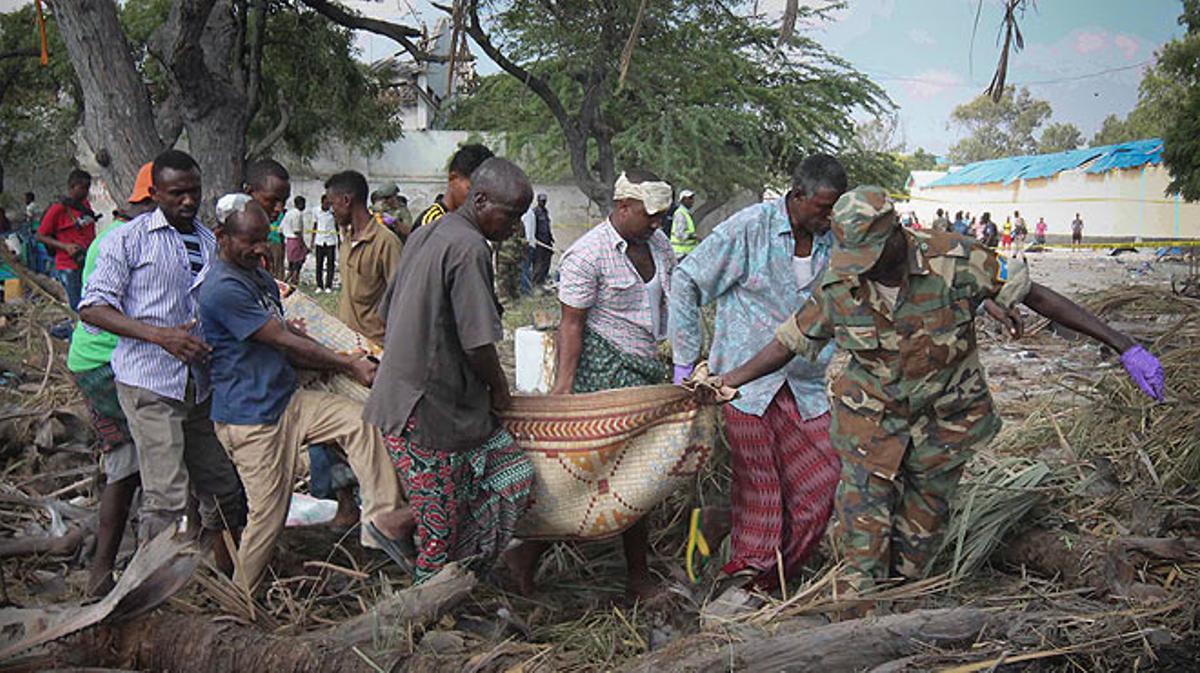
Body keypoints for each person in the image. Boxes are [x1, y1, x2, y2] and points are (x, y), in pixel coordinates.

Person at [713, 185, 1165, 597]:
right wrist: (729, 380)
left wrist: (1124, 346)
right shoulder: (841, 282)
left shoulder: (957, 259)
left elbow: (1037, 296)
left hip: (944, 425)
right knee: (862, 547)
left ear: (895, 233)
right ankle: (855, 620)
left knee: (917, 548)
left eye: (870, 253)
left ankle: (903, 611)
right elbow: (789, 342)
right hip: (870, 425)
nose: (862, 268)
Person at [198, 193, 412, 593]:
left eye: (265, 237)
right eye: (251, 240)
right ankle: (239, 598)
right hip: (252, 421)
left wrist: (341, 353)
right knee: (267, 518)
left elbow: (289, 329)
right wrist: (348, 364)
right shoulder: (221, 289)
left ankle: (380, 524)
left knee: (362, 423)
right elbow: (279, 337)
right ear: (221, 237)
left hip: (288, 401)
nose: (261, 248)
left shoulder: (256, 276)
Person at [669, 154, 844, 592]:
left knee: (823, 481)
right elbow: (686, 279)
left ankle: (776, 573)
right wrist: (686, 364)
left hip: (804, 386)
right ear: (797, 195)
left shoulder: (835, 242)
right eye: (823, 207)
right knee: (762, 489)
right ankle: (746, 580)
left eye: (835, 207)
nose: (830, 216)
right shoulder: (751, 228)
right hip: (744, 385)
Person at [364, 157, 535, 584]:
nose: (515, 228)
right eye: (511, 216)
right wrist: (500, 391)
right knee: (440, 534)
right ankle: (427, 614)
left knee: (513, 475)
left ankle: (415, 534)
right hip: (426, 411)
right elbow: (478, 342)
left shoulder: (425, 233)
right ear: (480, 201)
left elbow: (389, 312)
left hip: (429, 402)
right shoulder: (469, 247)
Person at [507, 169, 676, 601]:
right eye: (649, 214)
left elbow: (669, 307)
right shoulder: (587, 255)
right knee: (599, 477)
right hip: (601, 375)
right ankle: (534, 557)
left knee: (640, 475)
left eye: (661, 215)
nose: (657, 222)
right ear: (623, 207)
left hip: (645, 372)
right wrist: (563, 393)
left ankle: (627, 570)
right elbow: (571, 326)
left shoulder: (658, 244)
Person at [78, 149, 247, 562]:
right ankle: (150, 600)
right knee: (166, 497)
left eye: (194, 192)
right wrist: (159, 337)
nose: (188, 201)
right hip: (149, 383)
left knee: (224, 489)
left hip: (197, 388)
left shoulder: (209, 242)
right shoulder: (126, 239)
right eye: (176, 194)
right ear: (154, 194)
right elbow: (92, 308)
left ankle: (217, 576)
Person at [67, 162, 157, 596]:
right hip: (106, 363)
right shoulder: (118, 242)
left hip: (114, 360)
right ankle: (104, 574)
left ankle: (115, 564)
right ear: (151, 200)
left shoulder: (129, 237)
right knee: (129, 464)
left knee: (139, 464)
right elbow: (105, 311)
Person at [328, 170, 402, 344]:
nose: (332, 211)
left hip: (376, 348)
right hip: (348, 344)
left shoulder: (386, 242)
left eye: (333, 204)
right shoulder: (346, 240)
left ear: (346, 201)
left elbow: (402, 300)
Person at [37, 169, 98, 310]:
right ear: (72, 187)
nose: (86, 192)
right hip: (68, 264)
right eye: (82, 188)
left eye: (87, 188)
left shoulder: (85, 206)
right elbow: (40, 236)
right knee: (76, 305)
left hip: (86, 260)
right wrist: (65, 247)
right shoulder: (58, 209)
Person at [415, 144, 495, 230]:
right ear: (453, 178)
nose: (477, 198)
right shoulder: (433, 223)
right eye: (471, 189)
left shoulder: (470, 223)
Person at [244, 160, 291, 280]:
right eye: (272, 200)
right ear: (249, 193)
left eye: (283, 201)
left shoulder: (261, 238)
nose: (279, 209)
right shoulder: (231, 243)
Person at [280, 195, 310, 287]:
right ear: (300, 204)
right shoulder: (298, 214)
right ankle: (294, 283)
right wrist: (304, 245)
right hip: (295, 241)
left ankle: (286, 282)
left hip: (288, 241)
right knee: (297, 265)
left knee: (291, 265)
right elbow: (297, 231)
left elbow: (280, 229)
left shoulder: (288, 213)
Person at [312, 194, 339, 293]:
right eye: (326, 203)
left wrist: (339, 239)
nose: (328, 205)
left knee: (330, 264)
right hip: (319, 241)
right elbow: (315, 225)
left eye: (329, 203)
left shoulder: (333, 212)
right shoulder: (316, 211)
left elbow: (337, 226)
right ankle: (319, 285)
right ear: (322, 202)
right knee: (319, 264)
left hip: (330, 241)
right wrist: (312, 241)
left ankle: (328, 286)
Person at [531, 193, 554, 286]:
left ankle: (542, 281)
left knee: (546, 262)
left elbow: (547, 227)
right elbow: (533, 227)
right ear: (538, 201)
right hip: (539, 242)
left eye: (544, 201)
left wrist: (551, 237)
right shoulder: (535, 212)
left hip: (547, 242)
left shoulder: (545, 211)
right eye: (541, 201)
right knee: (538, 263)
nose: (543, 202)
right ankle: (536, 283)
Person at [670, 189, 697, 259]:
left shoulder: (686, 213)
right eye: (690, 198)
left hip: (687, 253)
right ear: (684, 200)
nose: (692, 201)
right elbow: (679, 234)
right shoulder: (680, 214)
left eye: (692, 198)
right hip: (681, 253)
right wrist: (693, 236)